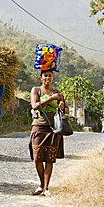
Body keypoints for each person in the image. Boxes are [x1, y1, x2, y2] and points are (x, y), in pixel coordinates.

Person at [29, 69, 67, 197]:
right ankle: (41, 184)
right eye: (45, 76)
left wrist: (62, 106)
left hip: (54, 128)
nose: (47, 78)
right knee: (37, 158)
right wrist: (52, 98)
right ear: (41, 78)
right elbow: (35, 105)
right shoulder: (36, 90)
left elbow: (66, 109)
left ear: (53, 77)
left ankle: (46, 188)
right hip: (39, 127)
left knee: (50, 159)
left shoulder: (58, 93)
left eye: (50, 76)